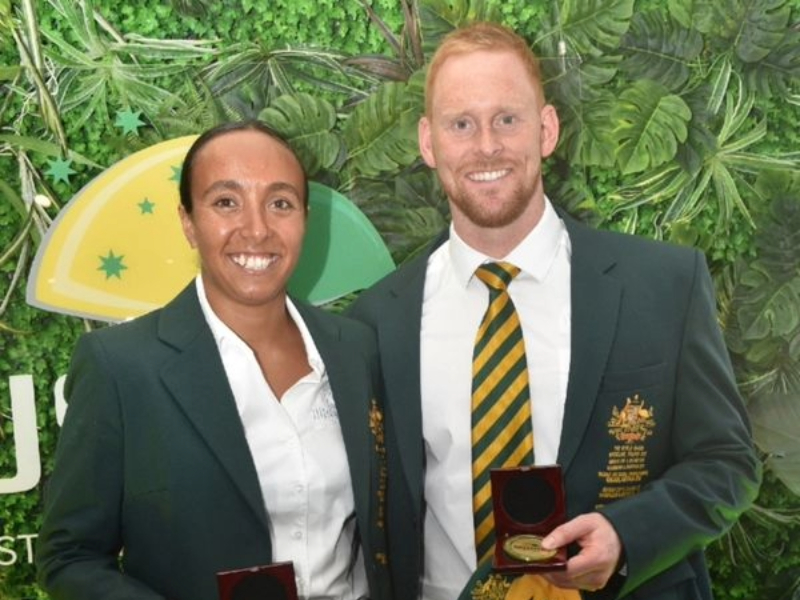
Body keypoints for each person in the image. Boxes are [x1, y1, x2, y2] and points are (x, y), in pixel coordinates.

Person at [347, 21, 761, 600]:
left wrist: (623, 536)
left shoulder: (664, 285)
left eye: (507, 119)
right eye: (461, 124)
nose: (486, 145)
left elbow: (727, 463)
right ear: (427, 142)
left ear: (546, 129)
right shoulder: (375, 323)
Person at [36, 121, 392, 600]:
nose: (257, 229)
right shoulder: (120, 367)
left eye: (280, 203)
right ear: (188, 222)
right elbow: (68, 557)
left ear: (305, 218)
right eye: (227, 202)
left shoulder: (356, 349)